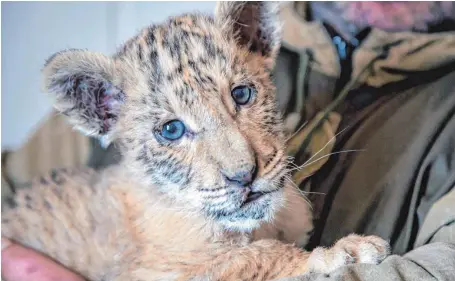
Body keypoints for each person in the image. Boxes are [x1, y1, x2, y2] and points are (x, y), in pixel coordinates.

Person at [2, 2, 455, 280]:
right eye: (171, 130)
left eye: (242, 95)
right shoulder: (138, 84)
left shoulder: (234, 43)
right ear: (101, 111)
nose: (241, 164)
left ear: (257, 35)